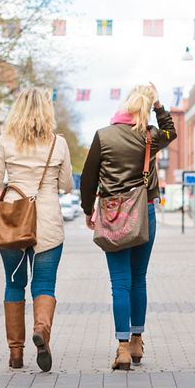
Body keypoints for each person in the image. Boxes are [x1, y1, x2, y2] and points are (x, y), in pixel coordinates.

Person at [0, 88, 73, 373]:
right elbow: (66, 186)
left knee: (14, 284)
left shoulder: (6, 142)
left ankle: (16, 354)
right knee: (44, 285)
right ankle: (41, 329)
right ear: (46, 111)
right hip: (47, 223)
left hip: (12, 223)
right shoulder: (58, 144)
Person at [80, 83, 177, 370]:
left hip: (112, 215)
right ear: (145, 111)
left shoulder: (103, 136)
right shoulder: (150, 137)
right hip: (144, 213)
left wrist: (88, 211)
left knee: (119, 283)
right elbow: (171, 130)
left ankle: (122, 348)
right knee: (139, 279)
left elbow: (88, 177)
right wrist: (159, 105)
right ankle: (137, 341)